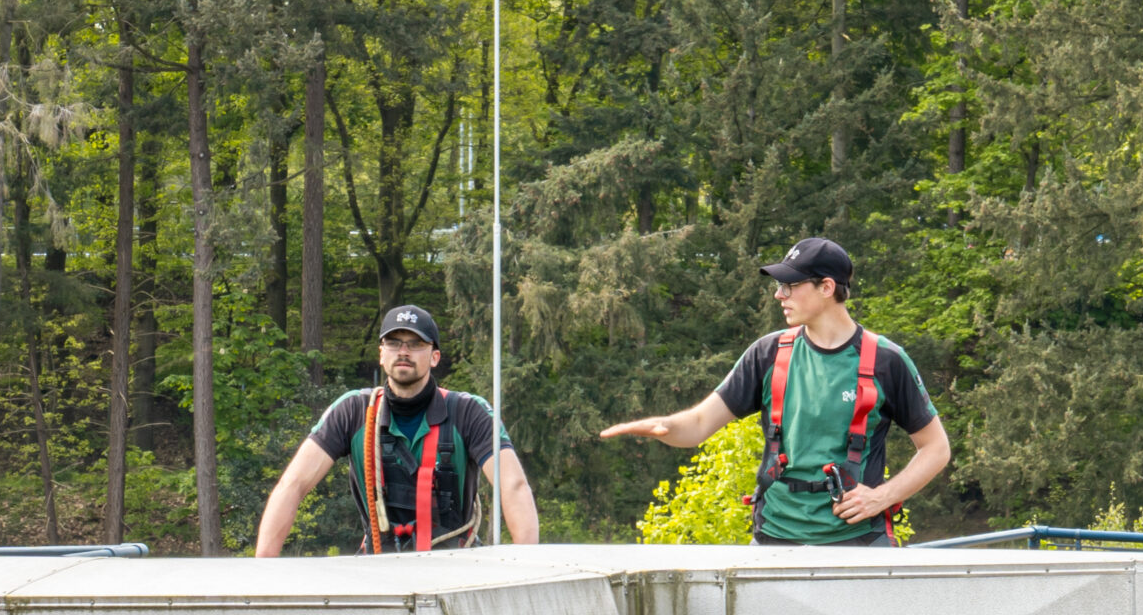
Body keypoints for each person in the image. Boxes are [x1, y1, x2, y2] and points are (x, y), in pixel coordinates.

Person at [600, 237, 950, 545]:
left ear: (826, 288)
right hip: (775, 537)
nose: (778, 294)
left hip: (856, 541)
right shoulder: (768, 354)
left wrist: (882, 497)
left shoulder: (885, 361)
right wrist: (663, 428)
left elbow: (936, 449)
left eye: (790, 285)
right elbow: (698, 424)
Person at [255, 303, 539, 555]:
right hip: (380, 569)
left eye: (415, 344)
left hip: (458, 568)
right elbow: (292, 485)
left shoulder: (469, 412)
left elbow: (513, 486)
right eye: (394, 343)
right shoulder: (353, 411)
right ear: (381, 354)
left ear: (435, 357)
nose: (404, 351)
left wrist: (528, 573)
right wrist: (263, 572)